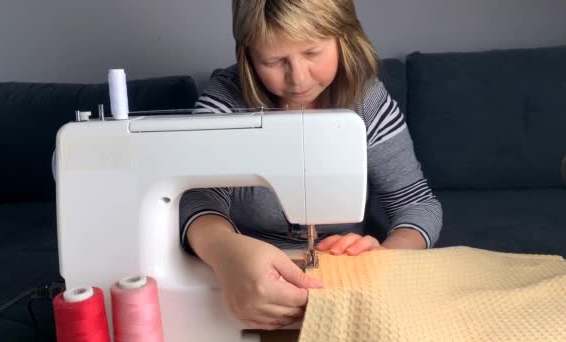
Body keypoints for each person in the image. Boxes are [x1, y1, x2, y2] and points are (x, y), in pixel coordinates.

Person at [180, 0, 443, 330]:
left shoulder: (367, 102)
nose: (298, 79)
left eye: (313, 52)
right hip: (248, 277)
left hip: (343, 275)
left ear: (343, 37)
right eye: (274, 61)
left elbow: (417, 205)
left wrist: (389, 256)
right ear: (248, 55)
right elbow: (197, 200)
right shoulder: (226, 103)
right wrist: (226, 252)